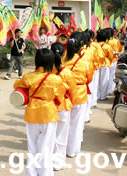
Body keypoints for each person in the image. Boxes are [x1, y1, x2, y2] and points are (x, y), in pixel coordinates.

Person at [14, 49, 64, 176]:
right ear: (51, 62)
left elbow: (16, 85)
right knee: (46, 147)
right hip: (48, 114)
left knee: (32, 147)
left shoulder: (28, 76)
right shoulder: (55, 79)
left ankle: (31, 173)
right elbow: (60, 97)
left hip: (32, 114)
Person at [62, 37, 92, 158]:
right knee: (76, 124)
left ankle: (61, 150)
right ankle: (72, 150)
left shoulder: (62, 60)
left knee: (64, 124)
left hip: (65, 93)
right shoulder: (84, 61)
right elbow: (89, 78)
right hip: (79, 93)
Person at [51, 42, 77, 171]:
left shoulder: (45, 71)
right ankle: (57, 162)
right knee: (61, 136)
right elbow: (73, 91)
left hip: (48, 107)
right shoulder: (66, 72)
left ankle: (47, 159)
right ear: (63, 54)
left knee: (48, 135)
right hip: (62, 106)